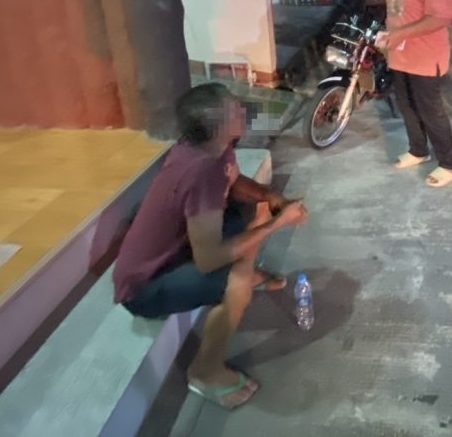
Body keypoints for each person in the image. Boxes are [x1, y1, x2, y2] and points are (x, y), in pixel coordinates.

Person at [113, 84, 309, 409]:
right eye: (235, 109)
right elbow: (208, 259)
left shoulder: (213, 148)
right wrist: (278, 223)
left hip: (180, 250)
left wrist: (271, 197)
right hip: (144, 287)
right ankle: (205, 372)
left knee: (253, 208)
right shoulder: (200, 171)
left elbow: (234, 182)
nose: (243, 109)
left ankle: (245, 267)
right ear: (219, 126)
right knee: (236, 284)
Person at [379, 0, 452, 188]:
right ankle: (418, 150)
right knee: (406, 107)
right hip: (400, 55)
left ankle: (449, 164)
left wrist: (401, 33)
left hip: (426, 58)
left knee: (430, 111)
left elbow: (441, 18)